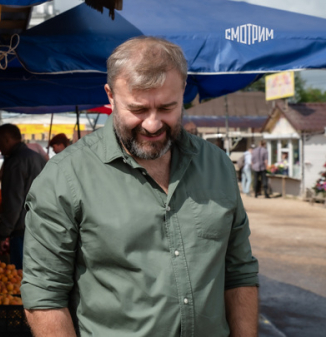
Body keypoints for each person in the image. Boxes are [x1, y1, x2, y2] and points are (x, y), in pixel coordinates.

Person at [22, 37, 259, 337]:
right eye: (137, 109)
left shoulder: (218, 166)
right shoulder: (63, 178)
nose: (152, 124)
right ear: (110, 97)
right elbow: (44, 297)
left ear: (183, 91)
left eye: (167, 107)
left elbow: (240, 273)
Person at [0, 124, 46, 269]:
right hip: (42, 227)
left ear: (6, 139)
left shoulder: (16, 163)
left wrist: (3, 233)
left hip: (23, 230)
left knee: (20, 277)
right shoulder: (38, 158)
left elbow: (14, 202)